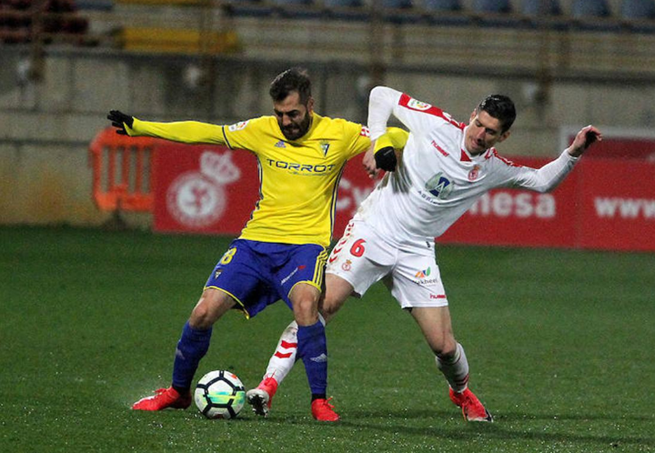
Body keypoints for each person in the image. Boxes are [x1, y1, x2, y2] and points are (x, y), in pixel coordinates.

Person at [246, 85, 602, 422]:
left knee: (444, 347)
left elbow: (541, 182)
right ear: (473, 114)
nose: (479, 134)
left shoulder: (492, 168)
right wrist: (379, 140)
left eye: (490, 132)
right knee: (322, 305)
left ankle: (461, 392)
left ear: (502, 137)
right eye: (478, 123)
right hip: (374, 231)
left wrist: (573, 152)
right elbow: (381, 95)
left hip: (416, 252)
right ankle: (268, 384)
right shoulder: (436, 123)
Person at [107, 68, 404, 422]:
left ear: (310, 105)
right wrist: (140, 126)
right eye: (279, 114)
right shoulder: (261, 130)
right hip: (254, 243)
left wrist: (381, 146)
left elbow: (401, 134)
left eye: (293, 113)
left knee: (307, 306)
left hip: (305, 246)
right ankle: (178, 391)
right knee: (203, 312)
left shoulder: (339, 133)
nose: (285, 121)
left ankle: (319, 401)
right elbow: (205, 133)